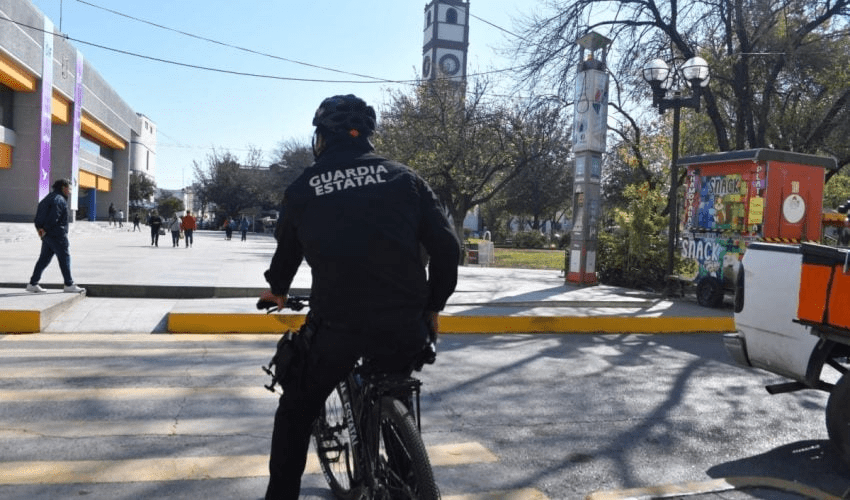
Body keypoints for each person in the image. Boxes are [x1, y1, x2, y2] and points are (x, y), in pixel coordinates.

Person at [259, 94, 460, 499]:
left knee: (295, 412)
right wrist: (434, 305)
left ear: (321, 138)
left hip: (338, 325)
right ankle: (408, 482)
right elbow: (448, 249)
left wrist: (278, 290)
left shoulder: (304, 188)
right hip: (404, 324)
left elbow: (287, 252)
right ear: (367, 136)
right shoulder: (405, 179)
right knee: (396, 390)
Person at [26, 178, 86, 294]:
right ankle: (69, 284)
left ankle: (33, 283)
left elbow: (38, 218)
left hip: (47, 236)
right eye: (68, 188)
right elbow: (54, 217)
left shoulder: (47, 198)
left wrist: (41, 230)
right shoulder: (59, 200)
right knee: (64, 258)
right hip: (57, 234)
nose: (69, 191)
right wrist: (46, 229)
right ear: (63, 188)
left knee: (44, 259)